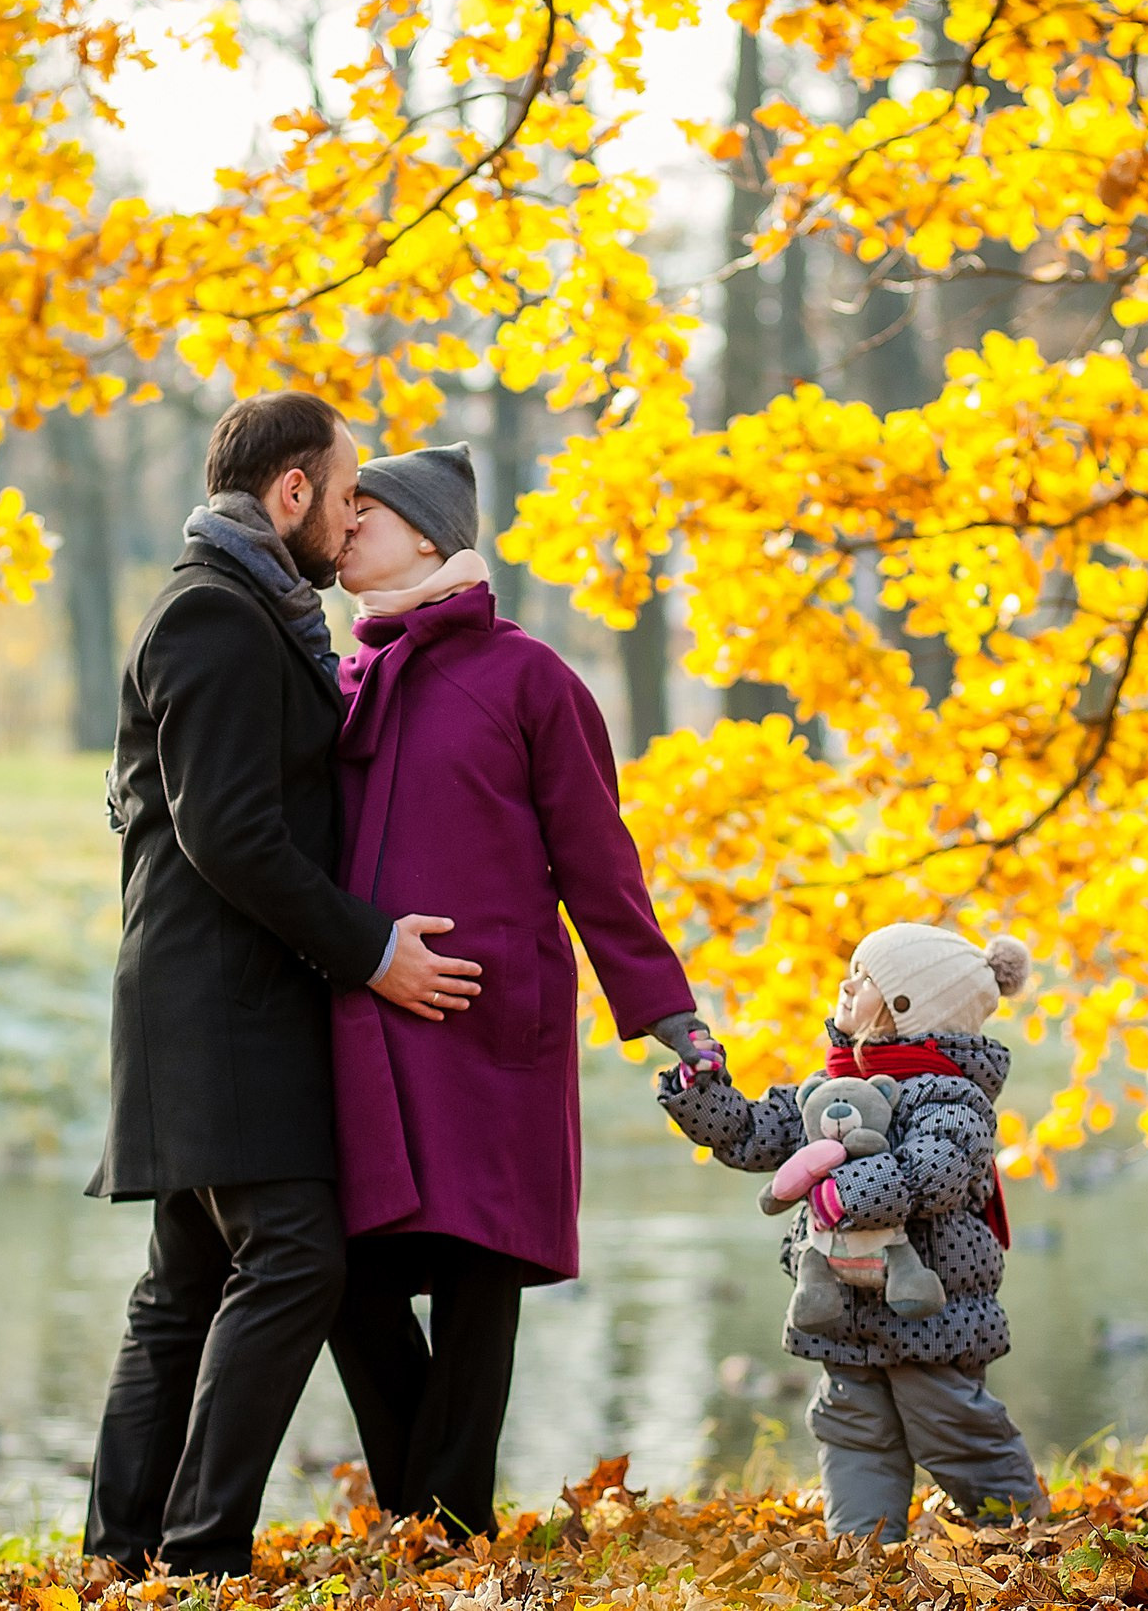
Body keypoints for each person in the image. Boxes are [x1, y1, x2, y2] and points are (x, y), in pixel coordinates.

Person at [85, 393, 485, 1578]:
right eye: (347, 488)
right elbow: (229, 831)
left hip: (228, 1002)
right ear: (293, 491)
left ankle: (126, 1552)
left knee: (185, 1285)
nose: (356, 510)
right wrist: (372, 949)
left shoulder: (248, 608)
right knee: (298, 1254)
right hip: (215, 1007)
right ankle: (198, 1550)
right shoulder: (211, 614)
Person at [323, 441, 711, 1539]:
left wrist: (661, 1006)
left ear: (433, 535)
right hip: (365, 1023)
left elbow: (598, 855)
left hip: (494, 1026)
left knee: (475, 1269)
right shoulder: (338, 678)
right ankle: (425, 1515)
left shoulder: (528, 674)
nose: (346, 526)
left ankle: (444, 1527)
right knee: (342, 1268)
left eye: (370, 513)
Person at [655, 923, 1047, 1536]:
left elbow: (934, 1170)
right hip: (844, 1310)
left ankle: (1023, 1531)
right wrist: (702, 1092)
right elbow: (755, 1133)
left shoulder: (951, 1097)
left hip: (930, 1313)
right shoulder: (830, 1086)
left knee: (952, 1428)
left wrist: (848, 1196)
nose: (847, 983)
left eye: (866, 979)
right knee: (852, 1432)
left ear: (907, 1010)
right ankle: (863, 1555)